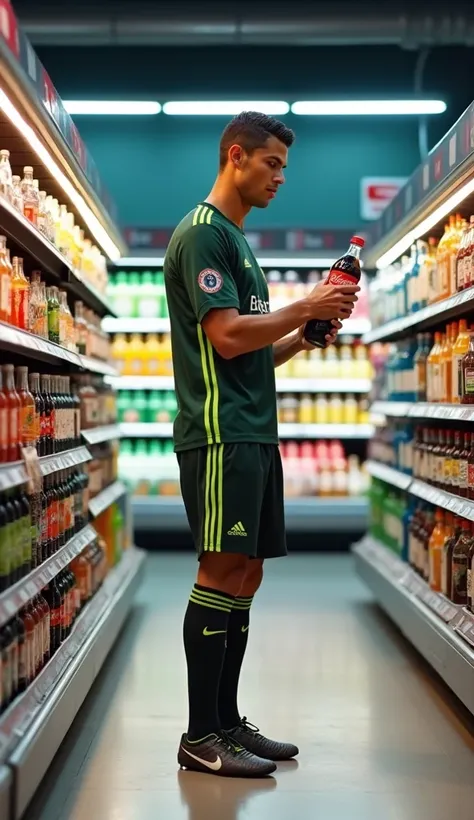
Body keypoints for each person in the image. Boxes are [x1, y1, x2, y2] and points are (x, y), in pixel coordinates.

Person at [164, 111, 359, 778]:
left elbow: (247, 353)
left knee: (247, 573)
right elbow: (222, 336)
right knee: (220, 570)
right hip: (219, 435)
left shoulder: (239, 244)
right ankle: (198, 735)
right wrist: (304, 306)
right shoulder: (202, 237)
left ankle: (226, 723)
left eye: (284, 168)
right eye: (271, 164)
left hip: (252, 429)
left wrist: (302, 337)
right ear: (235, 156)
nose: (280, 177)